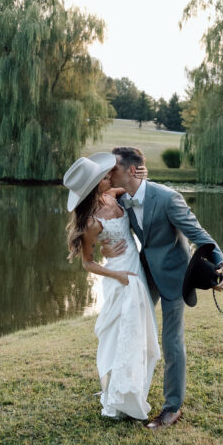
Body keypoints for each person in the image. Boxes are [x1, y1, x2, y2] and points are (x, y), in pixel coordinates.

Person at [102, 146, 223, 429]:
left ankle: (172, 408)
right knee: (131, 328)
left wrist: (221, 266)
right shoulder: (123, 195)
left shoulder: (169, 199)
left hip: (174, 276)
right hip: (144, 273)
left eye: (115, 169)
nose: (110, 174)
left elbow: (200, 235)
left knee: (172, 343)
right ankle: (126, 392)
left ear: (131, 171)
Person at [64, 153, 159, 421]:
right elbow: (88, 264)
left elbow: (138, 179)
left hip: (135, 268)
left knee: (137, 330)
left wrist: (140, 171)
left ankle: (133, 386)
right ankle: (116, 394)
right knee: (118, 333)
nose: (109, 178)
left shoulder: (113, 195)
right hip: (119, 276)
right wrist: (117, 274)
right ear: (94, 187)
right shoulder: (91, 223)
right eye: (104, 177)